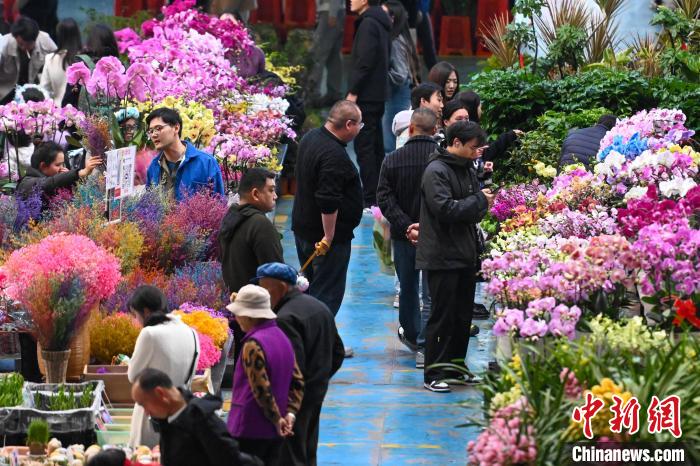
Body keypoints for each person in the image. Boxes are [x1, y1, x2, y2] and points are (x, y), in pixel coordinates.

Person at [416, 121, 496, 393]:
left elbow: (471, 211)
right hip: (442, 255)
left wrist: (481, 202)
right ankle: (434, 373)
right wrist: (479, 201)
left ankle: (457, 369)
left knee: (462, 317)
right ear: (456, 143)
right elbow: (445, 210)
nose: (477, 154)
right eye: (473, 148)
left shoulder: (466, 169)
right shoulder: (436, 170)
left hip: (464, 254)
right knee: (442, 315)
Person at [253, 262, 345, 466]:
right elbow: (337, 352)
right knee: (308, 450)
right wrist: (320, 379)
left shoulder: (285, 318)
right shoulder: (318, 306)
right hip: (316, 392)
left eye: (265, 288)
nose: (263, 295)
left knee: (290, 456)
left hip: (293, 401)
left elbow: (293, 366)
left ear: (282, 287)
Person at [377, 108, 437, 369]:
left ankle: (412, 335)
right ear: (435, 131)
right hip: (435, 235)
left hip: (404, 237)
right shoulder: (441, 160)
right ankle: (428, 342)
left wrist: (406, 227)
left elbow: (384, 198)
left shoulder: (392, 160)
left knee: (409, 287)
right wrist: (426, 227)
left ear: (410, 129)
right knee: (431, 290)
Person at [292, 101, 363, 319]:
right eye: (360, 124)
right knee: (326, 295)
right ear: (349, 124)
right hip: (324, 241)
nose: (361, 129)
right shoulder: (334, 155)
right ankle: (320, 346)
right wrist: (329, 237)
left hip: (304, 229)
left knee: (312, 291)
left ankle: (315, 341)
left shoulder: (311, 137)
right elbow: (328, 201)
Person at [226, 285, 305, 466]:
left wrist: (276, 419)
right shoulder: (282, 338)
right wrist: (289, 415)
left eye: (238, 313)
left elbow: (260, 389)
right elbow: (298, 382)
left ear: (248, 315)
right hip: (275, 432)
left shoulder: (253, 345)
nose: (236, 319)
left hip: (249, 428)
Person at [131, 368, 263, 466]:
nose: (146, 412)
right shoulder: (170, 418)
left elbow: (230, 460)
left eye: (144, 404)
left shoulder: (201, 420)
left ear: (160, 394)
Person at [127, 286, 201, 448]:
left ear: (145, 312)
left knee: (148, 458)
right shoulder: (191, 333)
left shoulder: (150, 334)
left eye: (135, 315)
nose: (136, 320)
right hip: (181, 414)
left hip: (152, 415)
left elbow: (132, 376)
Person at [347, 0, 391, 208]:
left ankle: (371, 198)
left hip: (366, 94)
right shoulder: (378, 21)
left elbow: (364, 62)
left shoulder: (368, 24)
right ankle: (379, 195)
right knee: (374, 146)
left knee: (365, 147)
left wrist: (353, 92)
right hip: (377, 93)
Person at [219, 168, 283, 294]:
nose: (275, 196)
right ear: (255, 194)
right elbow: (277, 276)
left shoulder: (229, 218)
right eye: (271, 190)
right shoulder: (260, 225)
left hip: (238, 304)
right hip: (259, 305)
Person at [145, 107, 225, 201]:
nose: (154, 135)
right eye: (151, 131)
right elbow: (149, 207)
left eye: (158, 128)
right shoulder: (154, 166)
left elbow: (219, 205)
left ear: (176, 128)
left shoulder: (206, 163)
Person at [382, 0, 420, 154]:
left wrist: (378, 76)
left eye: (384, 14)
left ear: (393, 18)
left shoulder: (396, 41)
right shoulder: (400, 38)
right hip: (401, 92)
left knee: (391, 143)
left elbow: (400, 74)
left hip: (398, 95)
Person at [16, 141, 101, 203]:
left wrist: (69, 181)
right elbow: (49, 183)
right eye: (57, 165)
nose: (61, 168)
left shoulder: (53, 178)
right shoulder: (28, 182)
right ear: (43, 166)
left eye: (62, 164)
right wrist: (80, 173)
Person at [0, 16, 56, 104]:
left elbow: (57, 62)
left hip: (36, 93)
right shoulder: (4, 44)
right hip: (6, 92)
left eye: (27, 44)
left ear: (35, 39)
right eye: (20, 44)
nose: (23, 47)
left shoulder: (45, 41)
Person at [61, 24, 119, 108]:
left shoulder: (81, 66)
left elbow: (67, 104)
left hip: (86, 119)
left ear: (90, 42)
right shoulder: (118, 66)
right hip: (116, 119)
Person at [456, 90, 523, 163]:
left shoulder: (458, 127)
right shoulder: (470, 131)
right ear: (473, 108)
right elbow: (486, 153)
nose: (481, 111)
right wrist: (509, 136)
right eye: (479, 107)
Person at [307, 0, 345, 107]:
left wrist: (332, 13)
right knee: (334, 56)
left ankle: (314, 95)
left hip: (329, 11)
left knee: (318, 54)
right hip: (336, 11)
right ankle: (334, 94)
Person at [39, 18, 80, 105]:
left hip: (58, 110)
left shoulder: (50, 59)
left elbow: (44, 89)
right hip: (81, 111)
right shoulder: (83, 58)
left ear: (59, 35)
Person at [392, 82, 443, 149]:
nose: (442, 105)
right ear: (423, 101)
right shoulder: (412, 128)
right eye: (439, 100)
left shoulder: (409, 123)